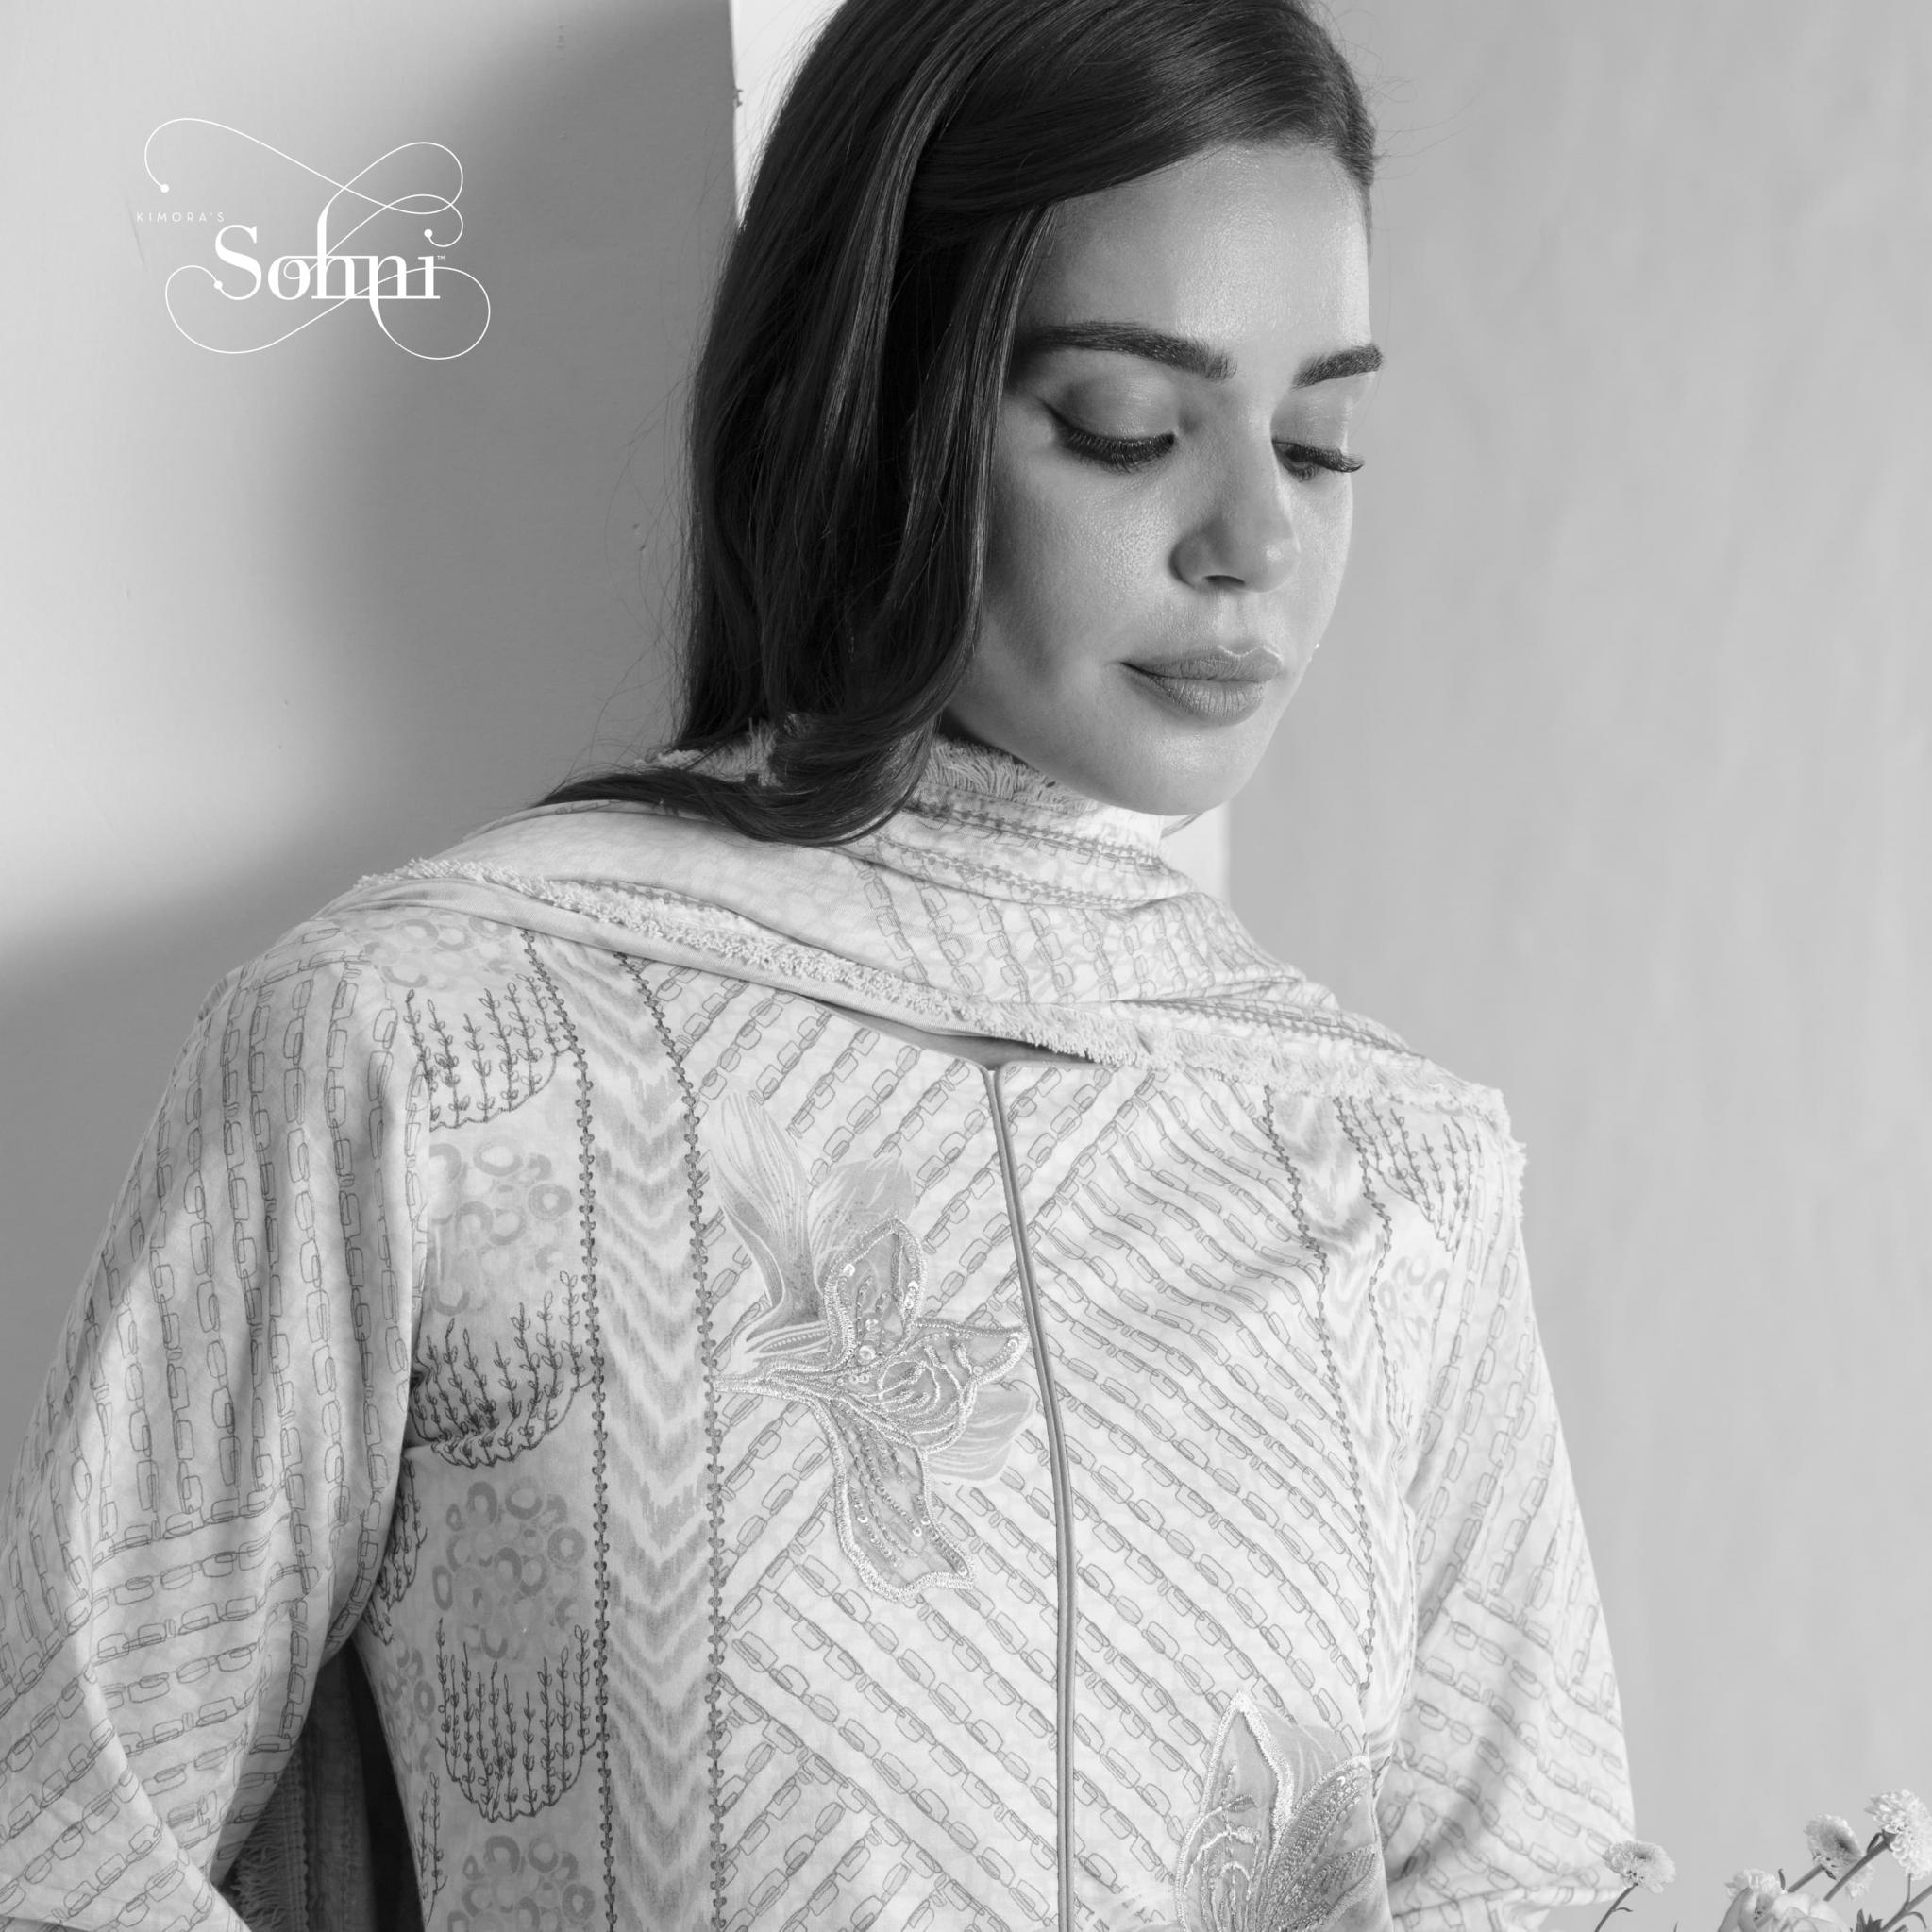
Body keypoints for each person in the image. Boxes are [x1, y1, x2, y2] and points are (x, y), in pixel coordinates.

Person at [0, 0, 1638, 1926]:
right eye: (1126, 425)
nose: (1255, 537)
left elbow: (1524, 1894)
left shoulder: (1395, 1177)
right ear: (873, 400)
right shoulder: (427, 1056)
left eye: (1320, 439)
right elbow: (56, 1843)